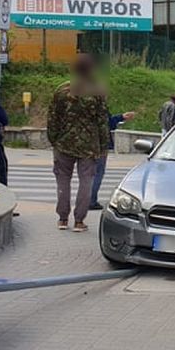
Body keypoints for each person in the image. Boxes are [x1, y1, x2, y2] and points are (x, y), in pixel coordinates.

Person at [47, 54, 110, 231]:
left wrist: (54, 139)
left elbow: (53, 118)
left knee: (63, 180)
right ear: (91, 69)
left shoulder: (62, 91)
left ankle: (62, 218)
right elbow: (102, 121)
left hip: (63, 144)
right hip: (89, 146)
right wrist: (104, 146)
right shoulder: (97, 92)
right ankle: (79, 221)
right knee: (86, 182)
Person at [90, 110, 136, 210]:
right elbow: (109, 123)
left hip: (86, 143)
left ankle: (85, 199)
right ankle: (91, 200)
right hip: (100, 144)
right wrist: (121, 117)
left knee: (88, 172)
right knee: (98, 172)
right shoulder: (100, 106)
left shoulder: (83, 104)